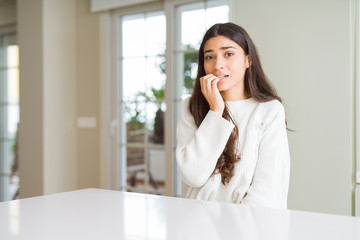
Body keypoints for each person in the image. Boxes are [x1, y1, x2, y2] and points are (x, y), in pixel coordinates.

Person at [176, 22, 290, 209]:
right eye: (209, 57)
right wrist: (215, 110)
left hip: (248, 228)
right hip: (197, 224)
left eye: (228, 54)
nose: (218, 65)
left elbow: (267, 190)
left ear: (248, 60)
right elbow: (193, 176)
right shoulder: (191, 106)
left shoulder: (269, 110)